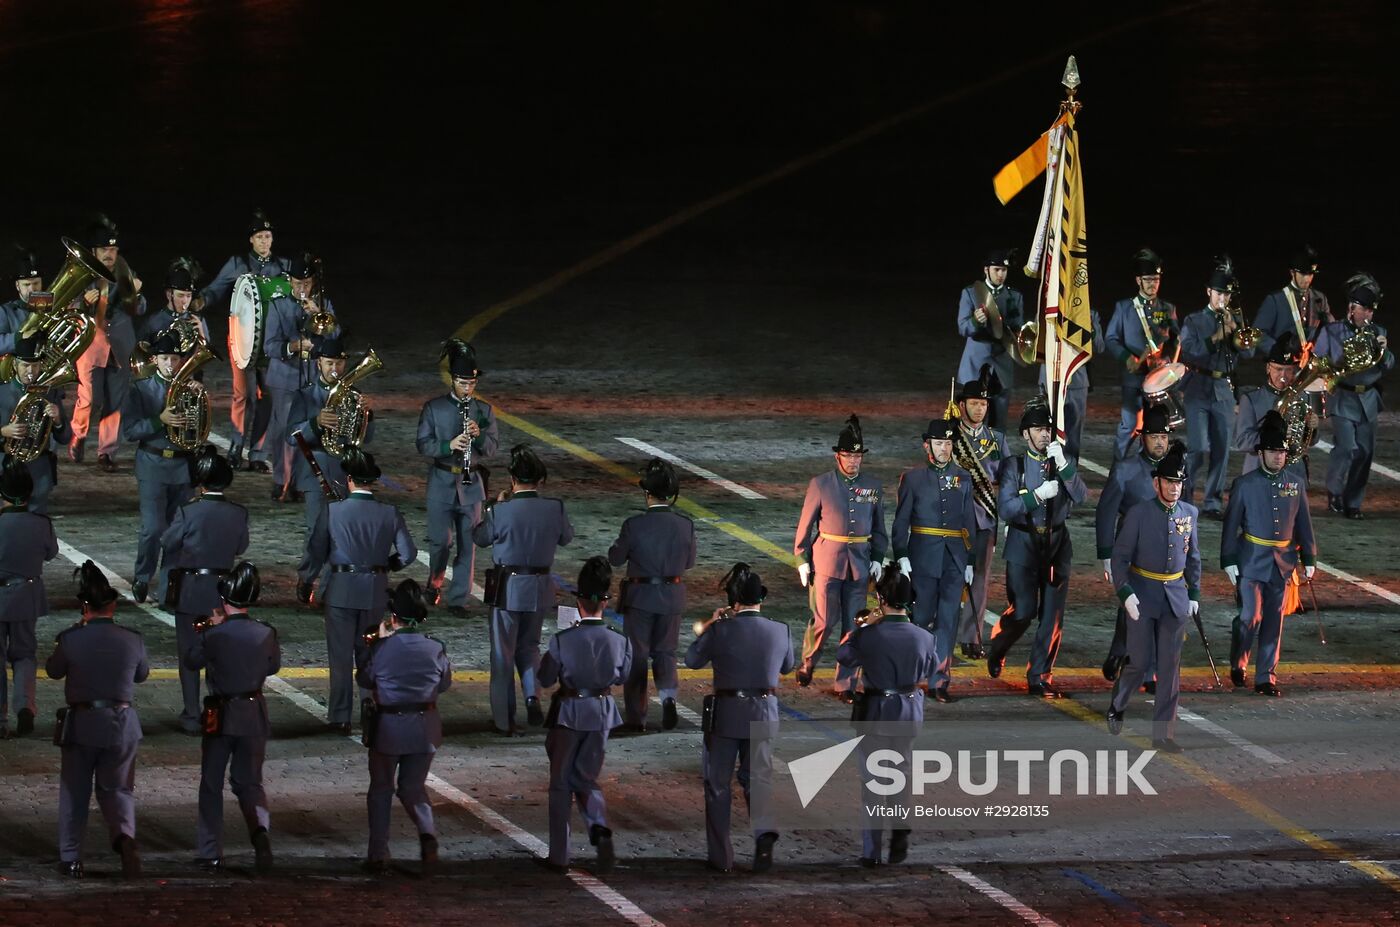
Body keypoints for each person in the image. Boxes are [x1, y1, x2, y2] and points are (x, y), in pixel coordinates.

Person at [684, 563, 794, 873]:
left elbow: (691, 660)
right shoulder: (780, 629)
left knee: (718, 784)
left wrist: (711, 625)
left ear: (734, 601)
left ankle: (721, 857)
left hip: (728, 714)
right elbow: (788, 666)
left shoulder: (722, 629)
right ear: (761, 599)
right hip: (764, 711)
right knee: (757, 779)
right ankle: (764, 831)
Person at [45, 561, 149, 878]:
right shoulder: (132, 639)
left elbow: (53, 670)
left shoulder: (71, 639)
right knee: (118, 790)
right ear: (113, 605)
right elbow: (142, 675)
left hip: (83, 723)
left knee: (75, 793)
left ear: (84, 607)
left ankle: (71, 857)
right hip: (122, 722)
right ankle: (124, 837)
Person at [306, 449, 416, 733]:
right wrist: (386, 566)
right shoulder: (389, 513)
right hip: (374, 590)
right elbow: (408, 553)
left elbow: (316, 551)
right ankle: (371, 709)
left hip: (341, 590)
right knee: (371, 654)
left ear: (350, 479)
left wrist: (307, 579)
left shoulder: (333, 511)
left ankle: (340, 716)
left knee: (340, 657)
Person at [986, 396, 1087, 696]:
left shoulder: (1062, 460)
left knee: (1052, 615)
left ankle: (1039, 675)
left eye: (1048, 429)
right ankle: (999, 645)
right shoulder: (1013, 466)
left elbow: (1081, 496)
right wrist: (1037, 495)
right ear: (1025, 434)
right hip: (1022, 544)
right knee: (1024, 610)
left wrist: (1065, 466)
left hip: (1056, 543)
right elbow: (1006, 508)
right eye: (1038, 429)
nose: (1045, 434)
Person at [836, 565, 937, 866]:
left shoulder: (870, 635)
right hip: (909, 710)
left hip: (877, 712)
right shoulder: (924, 637)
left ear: (881, 599)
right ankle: (900, 827)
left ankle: (872, 852)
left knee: (873, 784)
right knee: (901, 775)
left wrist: (864, 626)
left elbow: (844, 656)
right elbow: (930, 672)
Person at [536, 556, 631, 874]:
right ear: (606, 600)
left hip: (569, 713)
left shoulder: (564, 639)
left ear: (578, 600)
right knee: (587, 778)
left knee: (561, 784)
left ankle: (559, 855)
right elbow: (622, 677)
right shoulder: (619, 640)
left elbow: (546, 678)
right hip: (602, 712)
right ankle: (599, 826)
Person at [183, 561, 279, 873]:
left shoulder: (216, 635)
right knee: (250, 782)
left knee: (211, 783)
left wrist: (210, 629)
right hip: (253, 710)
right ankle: (260, 834)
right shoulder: (266, 633)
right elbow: (273, 667)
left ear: (225, 600)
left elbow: (191, 661)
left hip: (221, 713)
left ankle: (211, 850)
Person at [472, 444, 573, 735]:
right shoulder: (555, 507)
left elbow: (480, 538)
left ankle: (504, 720)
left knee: (503, 655)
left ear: (512, 478)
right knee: (529, 647)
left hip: (508, 588)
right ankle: (531, 694)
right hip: (541, 586)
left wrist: (494, 508)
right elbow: (566, 537)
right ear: (539, 480)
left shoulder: (503, 510)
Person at [1106, 441, 1201, 753]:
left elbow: (1194, 557)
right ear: (1156, 482)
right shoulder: (1138, 514)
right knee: (1140, 660)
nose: (1174, 488)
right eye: (1169, 482)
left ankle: (1163, 734)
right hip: (1143, 595)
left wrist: (1195, 592)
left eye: (1178, 483)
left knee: (1170, 669)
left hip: (1174, 596)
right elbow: (1120, 558)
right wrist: (1125, 592)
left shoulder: (1190, 513)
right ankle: (1118, 702)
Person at [357, 579, 452, 875]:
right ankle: (426, 833)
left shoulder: (383, 648)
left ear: (393, 617)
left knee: (382, 789)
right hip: (425, 726)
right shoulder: (435, 648)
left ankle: (378, 852)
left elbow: (364, 679)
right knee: (413, 787)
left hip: (389, 727)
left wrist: (376, 644)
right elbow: (445, 683)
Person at [1221, 411, 1317, 696]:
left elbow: (1304, 524)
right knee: (1250, 616)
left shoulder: (1295, 484)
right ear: (1261, 453)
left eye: (1283, 452)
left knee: (1274, 621)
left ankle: (1266, 677)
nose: (1279, 457)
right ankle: (1239, 661)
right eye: (1274, 452)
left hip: (1282, 564)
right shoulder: (1244, 484)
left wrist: (1309, 558)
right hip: (1251, 560)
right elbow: (1231, 525)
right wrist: (1228, 559)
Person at [793, 414, 888, 696]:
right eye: (848, 455)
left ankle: (846, 683)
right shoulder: (821, 484)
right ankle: (808, 662)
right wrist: (801, 560)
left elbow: (880, 527)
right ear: (838, 456)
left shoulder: (873, 486)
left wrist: (878, 558)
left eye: (857, 456)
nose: (853, 461)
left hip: (858, 564)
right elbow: (806, 525)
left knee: (854, 625)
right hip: (826, 562)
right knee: (823, 620)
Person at [161, 448, 249, 734]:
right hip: (221, 591)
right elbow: (241, 547)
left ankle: (191, 713)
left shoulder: (188, 511)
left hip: (190, 589)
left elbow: (167, 542)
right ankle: (219, 709)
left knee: (189, 655)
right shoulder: (238, 512)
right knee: (220, 655)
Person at [608, 457, 696, 732]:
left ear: (647, 493)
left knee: (637, 656)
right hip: (672, 595)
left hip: (641, 596)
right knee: (666, 653)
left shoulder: (634, 525)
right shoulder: (685, 524)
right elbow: (690, 562)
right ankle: (668, 697)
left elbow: (615, 558)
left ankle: (637, 718)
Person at [891, 419, 975, 703]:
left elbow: (969, 522)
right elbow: (901, 521)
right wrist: (901, 554)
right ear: (927, 445)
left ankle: (939, 681)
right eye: (939, 443)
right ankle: (910, 677)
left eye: (949, 444)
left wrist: (971, 560)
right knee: (921, 619)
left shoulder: (963, 477)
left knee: (948, 621)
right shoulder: (913, 479)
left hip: (953, 558)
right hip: (923, 557)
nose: (944, 449)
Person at [1096, 403, 1179, 684]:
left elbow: (1184, 510)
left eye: (1164, 437)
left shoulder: (1177, 470)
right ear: (1142, 438)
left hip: (1165, 549)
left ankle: (1148, 670)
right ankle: (1122, 650)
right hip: (1130, 547)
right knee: (1132, 604)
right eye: (1154, 436)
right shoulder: (1126, 469)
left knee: (1158, 609)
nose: (1159, 442)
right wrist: (1106, 553)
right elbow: (1107, 510)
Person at [200, 211, 287, 472]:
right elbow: (216, 289)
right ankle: (237, 446)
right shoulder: (238, 263)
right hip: (242, 341)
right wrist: (201, 300)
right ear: (251, 240)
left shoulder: (282, 267)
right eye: (259, 237)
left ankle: (259, 453)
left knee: (268, 397)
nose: (264, 241)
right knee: (244, 395)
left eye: (268, 236)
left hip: (271, 343)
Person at [418, 339, 499, 613]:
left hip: (472, 486)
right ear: (453, 381)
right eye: (464, 383)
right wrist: (447, 446)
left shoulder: (483, 412)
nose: (468, 389)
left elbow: (491, 449)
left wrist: (478, 437)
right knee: (441, 543)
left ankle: (458, 599)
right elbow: (422, 444)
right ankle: (434, 582)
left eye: (472, 384)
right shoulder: (434, 408)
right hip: (441, 484)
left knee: (468, 546)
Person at [288, 334, 367, 603]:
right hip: (315, 469)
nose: (334, 369)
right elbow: (290, 435)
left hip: (344, 468)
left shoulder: (352, 395)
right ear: (319, 363)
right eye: (329, 363)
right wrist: (315, 422)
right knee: (317, 531)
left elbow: (363, 438)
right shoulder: (305, 394)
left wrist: (366, 416)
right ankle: (308, 576)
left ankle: (329, 588)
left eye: (338, 364)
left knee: (341, 533)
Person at [120, 328, 196, 604]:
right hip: (152, 464)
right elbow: (129, 431)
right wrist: (159, 420)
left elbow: (199, 430)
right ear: (155, 360)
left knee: (177, 533)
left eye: (175, 359)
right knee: (152, 529)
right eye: (164, 358)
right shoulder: (139, 389)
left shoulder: (191, 388)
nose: (170, 364)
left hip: (182, 467)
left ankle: (169, 590)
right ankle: (142, 576)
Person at [69, 215, 147, 473]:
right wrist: (83, 303)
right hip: (92, 343)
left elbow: (140, 307)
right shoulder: (82, 272)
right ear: (94, 251)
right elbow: (68, 306)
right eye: (105, 249)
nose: (110, 255)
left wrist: (136, 293)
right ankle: (79, 434)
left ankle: (107, 452)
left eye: (113, 250)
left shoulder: (125, 271)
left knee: (116, 400)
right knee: (89, 397)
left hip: (120, 345)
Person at [1178, 259, 1255, 517]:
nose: (1223, 297)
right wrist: (1216, 338)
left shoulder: (1235, 318)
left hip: (1223, 387)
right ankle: (1185, 495)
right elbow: (1191, 351)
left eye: (1227, 293)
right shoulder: (1194, 320)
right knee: (1198, 448)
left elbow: (1249, 351)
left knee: (1222, 449)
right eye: (1219, 292)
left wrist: (1237, 338)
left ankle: (1212, 502)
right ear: (1208, 291)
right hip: (1197, 388)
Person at [1314, 277, 1395, 518]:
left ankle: (1353, 502)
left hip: (1368, 399)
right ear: (1351, 308)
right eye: (1362, 309)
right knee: (1347, 447)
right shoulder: (1332, 331)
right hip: (1343, 396)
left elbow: (1390, 364)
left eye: (1368, 310)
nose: (1366, 314)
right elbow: (1318, 361)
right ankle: (1335, 492)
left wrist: (1383, 351)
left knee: (1365, 452)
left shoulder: (1378, 332)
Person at [263, 253, 338, 500]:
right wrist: (293, 347)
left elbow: (335, 339)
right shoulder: (277, 305)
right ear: (290, 281)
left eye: (306, 283)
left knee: (311, 430)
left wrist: (319, 317)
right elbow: (269, 346)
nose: (302, 287)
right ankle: (281, 481)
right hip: (285, 377)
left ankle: (304, 480)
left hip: (311, 378)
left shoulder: (323, 305)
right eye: (297, 283)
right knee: (285, 430)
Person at [0, 459, 57, 739]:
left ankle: (0, 718)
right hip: (26, 595)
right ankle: (25, 707)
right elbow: (50, 553)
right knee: (24, 655)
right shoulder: (40, 523)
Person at [953, 369, 1007, 660]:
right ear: (962, 406)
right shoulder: (950, 436)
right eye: (974, 403)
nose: (979, 408)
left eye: (984, 404)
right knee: (949, 576)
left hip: (984, 516)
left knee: (981, 579)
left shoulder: (996, 439)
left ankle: (972, 636)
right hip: (954, 519)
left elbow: (1005, 479)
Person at [1106, 248, 1179, 459]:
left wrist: (1168, 361)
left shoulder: (1167, 308)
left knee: (1157, 426)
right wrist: (1127, 358)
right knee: (1130, 425)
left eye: (1156, 279)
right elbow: (1111, 339)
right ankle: (1119, 467)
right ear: (1138, 280)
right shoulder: (1124, 308)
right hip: (1134, 377)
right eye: (1148, 279)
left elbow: (1176, 340)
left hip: (1158, 379)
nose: (1152, 284)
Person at [0, 331, 72, 514]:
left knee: (35, 521)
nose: (30, 371)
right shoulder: (1, 392)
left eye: (35, 365)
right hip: (5, 466)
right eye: (25, 366)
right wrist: (3, 431)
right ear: (15, 365)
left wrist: (58, 420)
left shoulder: (50, 392)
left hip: (38, 470)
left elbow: (65, 437)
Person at [957, 249, 1025, 429]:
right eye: (997, 270)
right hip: (977, 361)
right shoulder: (970, 293)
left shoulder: (1014, 296)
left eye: (1004, 270)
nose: (1001, 274)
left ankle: (997, 455)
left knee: (999, 418)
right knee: (973, 418)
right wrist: (975, 321)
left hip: (1002, 360)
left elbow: (1018, 326)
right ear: (986, 270)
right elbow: (962, 327)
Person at [1234, 332, 1314, 476]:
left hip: (1293, 474)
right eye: (1278, 369)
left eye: (1288, 370)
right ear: (1268, 368)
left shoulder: (1303, 398)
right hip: (1259, 473)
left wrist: (1312, 428)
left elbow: (1309, 441)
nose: (1283, 376)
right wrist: (1275, 437)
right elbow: (1242, 441)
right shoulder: (1251, 399)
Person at [1040, 309, 1104, 460]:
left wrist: (1091, 329)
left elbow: (1099, 347)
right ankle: (1045, 473)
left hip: (1077, 381)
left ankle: (1069, 477)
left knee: (1073, 436)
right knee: (1046, 431)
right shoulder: (1045, 309)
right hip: (1050, 379)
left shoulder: (1089, 313)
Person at [1252, 245, 1332, 357]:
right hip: (1283, 365)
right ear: (1292, 272)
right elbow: (1257, 333)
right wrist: (1275, 349)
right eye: (1303, 274)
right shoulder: (1275, 300)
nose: (1307, 279)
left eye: (1311, 274)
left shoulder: (1320, 298)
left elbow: (1331, 330)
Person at [138, 258, 210, 348]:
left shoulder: (199, 320)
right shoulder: (152, 322)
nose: (185, 301)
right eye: (180, 295)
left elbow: (206, 353)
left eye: (188, 296)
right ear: (169, 295)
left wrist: (201, 335)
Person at [0, 246, 43, 355]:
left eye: (36, 283)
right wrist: (20, 337)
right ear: (17, 286)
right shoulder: (5, 311)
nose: (32, 289)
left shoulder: (54, 308)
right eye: (27, 284)